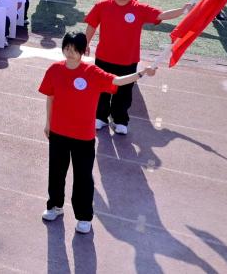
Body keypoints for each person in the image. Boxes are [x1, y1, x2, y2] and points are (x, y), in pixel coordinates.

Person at [40, 31, 155, 234]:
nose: (70, 53)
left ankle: (84, 217)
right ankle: (55, 206)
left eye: (75, 49)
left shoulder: (92, 72)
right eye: (67, 48)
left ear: (83, 51)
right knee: (56, 172)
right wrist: (48, 123)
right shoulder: (54, 70)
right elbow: (50, 97)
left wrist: (141, 73)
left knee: (83, 177)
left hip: (83, 136)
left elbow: (117, 81)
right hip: (58, 132)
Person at [84, 0, 191, 134]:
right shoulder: (102, 6)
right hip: (104, 57)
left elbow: (161, 15)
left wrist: (182, 10)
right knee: (102, 89)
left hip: (128, 59)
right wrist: (86, 43)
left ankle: (120, 120)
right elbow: (92, 25)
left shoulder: (139, 8)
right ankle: (100, 117)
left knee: (124, 92)